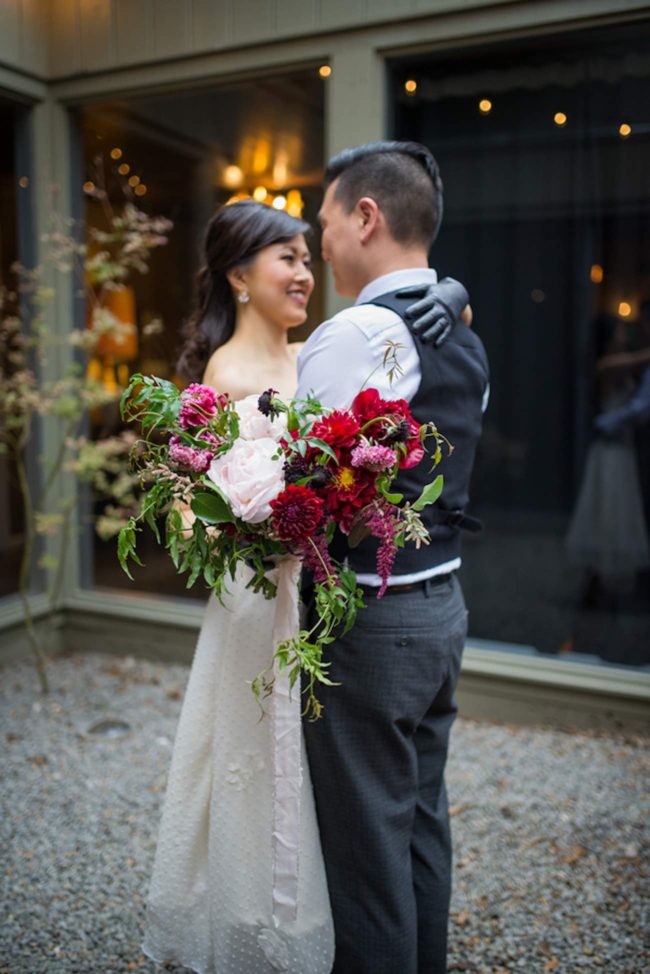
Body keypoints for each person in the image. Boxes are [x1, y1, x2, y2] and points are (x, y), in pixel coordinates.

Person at [141, 198, 471, 974]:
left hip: (324, 592)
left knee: (331, 786)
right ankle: (263, 935)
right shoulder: (222, 375)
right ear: (238, 277)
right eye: (285, 258)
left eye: (303, 253)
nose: (303, 271)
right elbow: (188, 520)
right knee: (264, 774)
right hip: (261, 603)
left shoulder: (321, 354)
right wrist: (256, 525)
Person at [297, 142, 490, 974]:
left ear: (366, 216)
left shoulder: (357, 335)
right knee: (418, 825)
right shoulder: (469, 344)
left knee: (364, 855)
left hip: (369, 623)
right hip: (442, 610)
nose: (320, 243)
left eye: (326, 221)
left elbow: (297, 484)